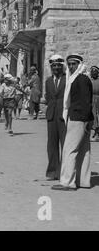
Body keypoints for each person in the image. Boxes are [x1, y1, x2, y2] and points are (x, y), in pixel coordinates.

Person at [52, 55, 93, 191]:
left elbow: (86, 101)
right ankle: (83, 181)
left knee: (69, 150)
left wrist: (86, 119)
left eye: (74, 64)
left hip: (79, 117)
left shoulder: (81, 79)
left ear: (79, 64)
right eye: (69, 64)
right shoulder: (76, 78)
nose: (71, 67)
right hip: (81, 117)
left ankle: (67, 182)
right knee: (83, 150)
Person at [45, 55, 66, 181]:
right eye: (54, 66)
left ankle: (64, 171)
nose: (56, 68)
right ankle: (52, 171)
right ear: (51, 67)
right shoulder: (48, 81)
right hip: (51, 115)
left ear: (62, 66)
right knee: (51, 145)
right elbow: (48, 96)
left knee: (64, 144)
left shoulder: (67, 79)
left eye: (58, 65)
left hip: (63, 115)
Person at [90, 66, 99, 141]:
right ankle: (94, 132)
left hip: (98, 100)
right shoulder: (89, 81)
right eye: (92, 72)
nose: (93, 73)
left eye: (95, 72)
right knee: (93, 116)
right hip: (91, 101)